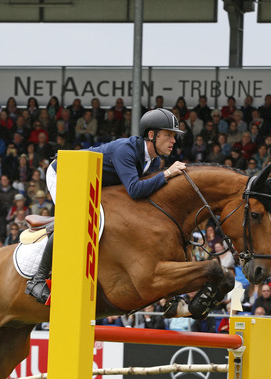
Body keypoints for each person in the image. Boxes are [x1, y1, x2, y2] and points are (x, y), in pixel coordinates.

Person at [26, 108, 187, 304]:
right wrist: (168, 174)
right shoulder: (126, 150)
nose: (173, 141)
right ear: (152, 135)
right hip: (67, 174)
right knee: (75, 220)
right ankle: (37, 279)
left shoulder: (153, 162)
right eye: (169, 135)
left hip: (94, 183)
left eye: (174, 136)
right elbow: (135, 190)